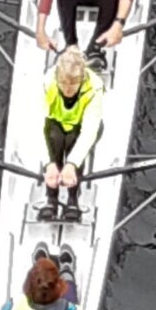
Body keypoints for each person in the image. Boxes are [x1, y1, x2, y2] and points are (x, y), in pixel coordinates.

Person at [40, 46, 104, 222]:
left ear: (82, 78)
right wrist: (49, 164)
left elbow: (90, 130)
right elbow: (36, 125)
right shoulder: (48, 82)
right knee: (53, 137)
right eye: (64, 83)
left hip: (82, 128)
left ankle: (73, 199)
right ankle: (51, 198)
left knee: (73, 141)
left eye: (73, 84)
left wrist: (72, 164)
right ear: (58, 77)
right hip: (55, 125)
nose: (68, 89)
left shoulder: (95, 86)